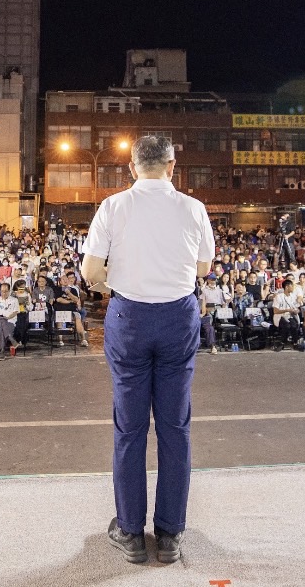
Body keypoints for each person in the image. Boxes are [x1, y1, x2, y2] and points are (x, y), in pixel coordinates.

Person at [81, 135, 215, 565]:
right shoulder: (193, 208)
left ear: (133, 167)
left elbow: (90, 270)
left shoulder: (114, 206)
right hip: (177, 317)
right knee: (175, 427)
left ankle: (130, 531)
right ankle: (171, 533)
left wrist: (113, 284)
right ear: (173, 166)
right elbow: (202, 266)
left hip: (130, 318)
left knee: (130, 427)